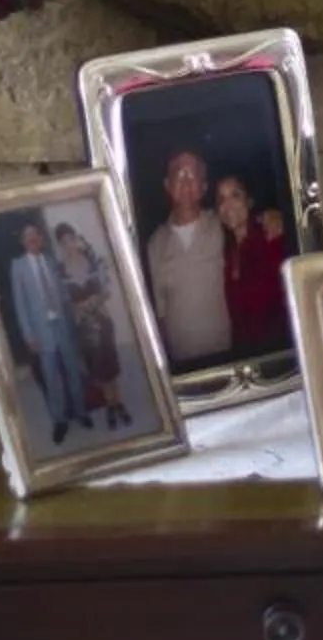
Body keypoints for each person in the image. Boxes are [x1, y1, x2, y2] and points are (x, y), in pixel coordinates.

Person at [143, 148, 233, 364]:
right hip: (181, 362)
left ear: (203, 187)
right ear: (167, 185)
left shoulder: (221, 224)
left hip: (227, 354)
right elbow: (160, 312)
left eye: (193, 174)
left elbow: (252, 229)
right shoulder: (155, 243)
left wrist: (272, 218)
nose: (186, 180)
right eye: (179, 173)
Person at [9, 220, 89, 443]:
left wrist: (74, 313)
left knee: (72, 369)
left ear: (41, 239)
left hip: (62, 325)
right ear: (23, 242)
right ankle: (59, 420)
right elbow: (20, 304)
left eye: (36, 235)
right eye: (28, 237)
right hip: (41, 331)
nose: (33, 239)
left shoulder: (53, 261)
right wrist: (28, 335)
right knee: (51, 376)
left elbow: (64, 293)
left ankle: (80, 412)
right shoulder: (18, 266)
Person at [55, 219, 131, 429]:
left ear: (76, 239)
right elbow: (64, 302)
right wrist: (76, 308)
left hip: (102, 319)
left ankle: (119, 403)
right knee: (99, 369)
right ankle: (110, 406)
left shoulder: (93, 259)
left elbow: (106, 289)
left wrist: (93, 301)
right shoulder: (59, 271)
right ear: (60, 245)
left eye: (71, 239)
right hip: (84, 327)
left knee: (111, 366)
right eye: (64, 242)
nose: (69, 244)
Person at [216, 171, 290, 357]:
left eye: (235, 195)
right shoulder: (227, 250)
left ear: (249, 202)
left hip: (277, 354)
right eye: (221, 199)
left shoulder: (271, 238)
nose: (227, 205)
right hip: (243, 355)